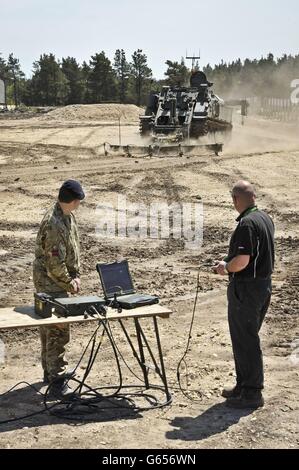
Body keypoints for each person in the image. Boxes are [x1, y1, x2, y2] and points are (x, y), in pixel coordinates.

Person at [214, 181, 274, 409]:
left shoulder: (247, 224)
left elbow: (242, 261)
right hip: (261, 286)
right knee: (245, 338)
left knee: (246, 340)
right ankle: (244, 385)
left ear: (236, 200)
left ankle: (252, 393)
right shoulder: (264, 218)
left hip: (247, 289)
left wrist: (225, 267)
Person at [33, 180, 85, 398]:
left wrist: (76, 275)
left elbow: (71, 251)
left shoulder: (66, 216)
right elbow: (54, 264)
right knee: (57, 331)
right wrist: (69, 282)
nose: (80, 204)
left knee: (49, 330)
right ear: (73, 201)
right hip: (51, 284)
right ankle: (58, 381)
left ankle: (50, 372)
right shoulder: (54, 223)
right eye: (79, 201)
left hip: (56, 282)